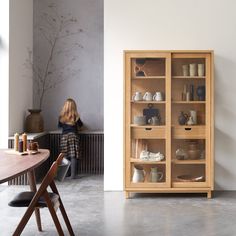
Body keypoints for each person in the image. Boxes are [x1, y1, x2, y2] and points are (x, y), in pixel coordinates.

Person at [58, 98, 83, 179]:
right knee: (73, 156)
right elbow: (81, 125)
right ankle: (73, 175)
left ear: (65, 106)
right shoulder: (76, 116)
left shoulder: (61, 116)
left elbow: (59, 126)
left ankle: (65, 174)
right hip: (73, 136)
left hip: (64, 137)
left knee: (65, 155)